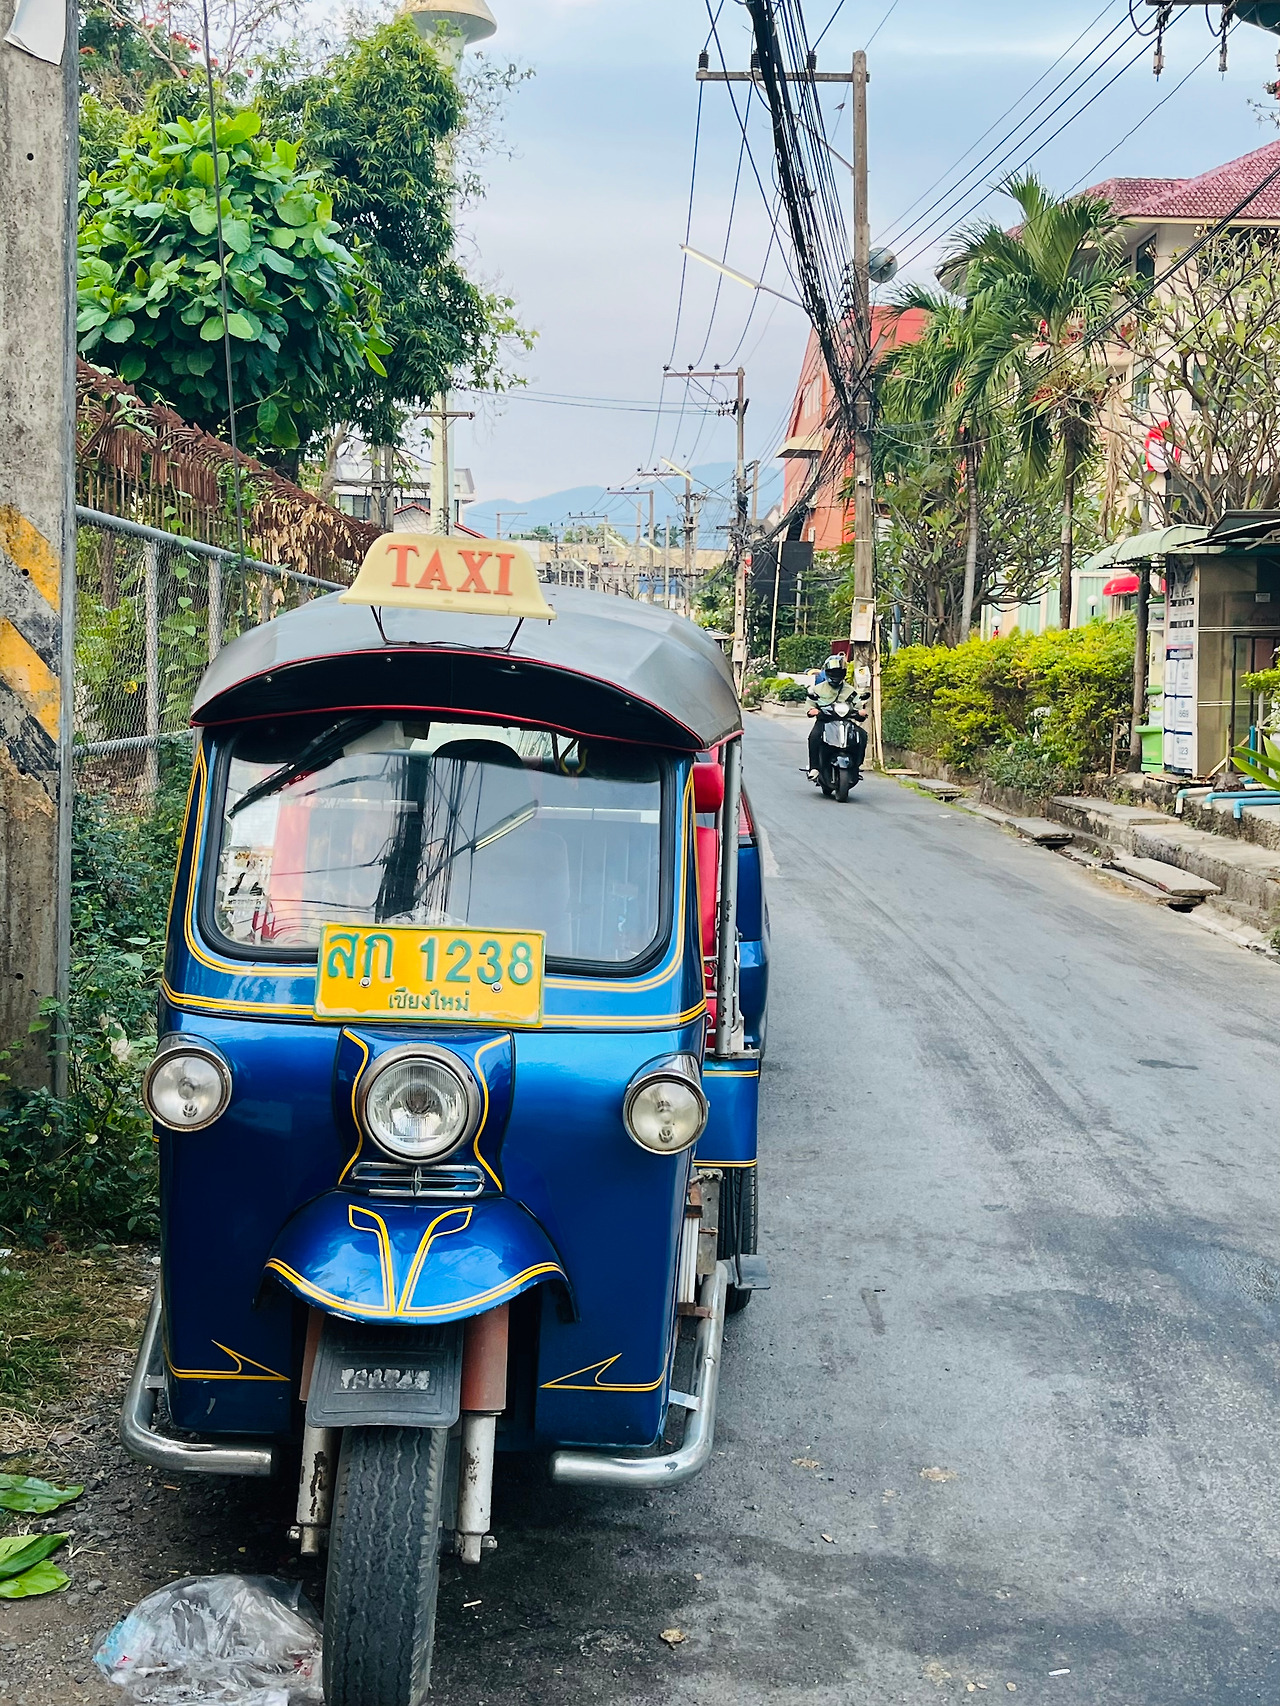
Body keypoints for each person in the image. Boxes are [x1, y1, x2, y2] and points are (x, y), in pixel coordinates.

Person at [806, 653, 867, 780]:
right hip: (825, 721)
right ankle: (814, 768)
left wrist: (861, 712)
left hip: (845, 721)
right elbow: (810, 704)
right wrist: (813, 710)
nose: (835, 675)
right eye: (833, 672)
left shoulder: (850, 690)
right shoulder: (818, 689)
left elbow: (858, 705)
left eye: (839, 672)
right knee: (814, 737)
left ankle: (856, 765)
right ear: (827, 672)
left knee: (862, 735)